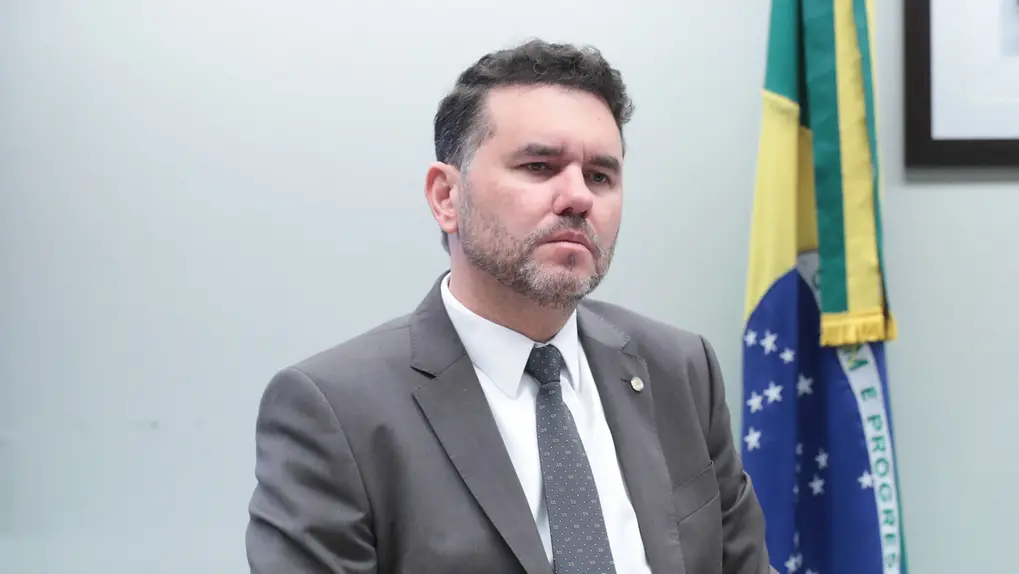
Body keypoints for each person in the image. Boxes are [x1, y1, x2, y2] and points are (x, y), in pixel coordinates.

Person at [245, 39, 775, 574]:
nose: (578, 197)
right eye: (540, 166)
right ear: (446, 198)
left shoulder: (680, 370)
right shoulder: (335, 410)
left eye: (600, 176)